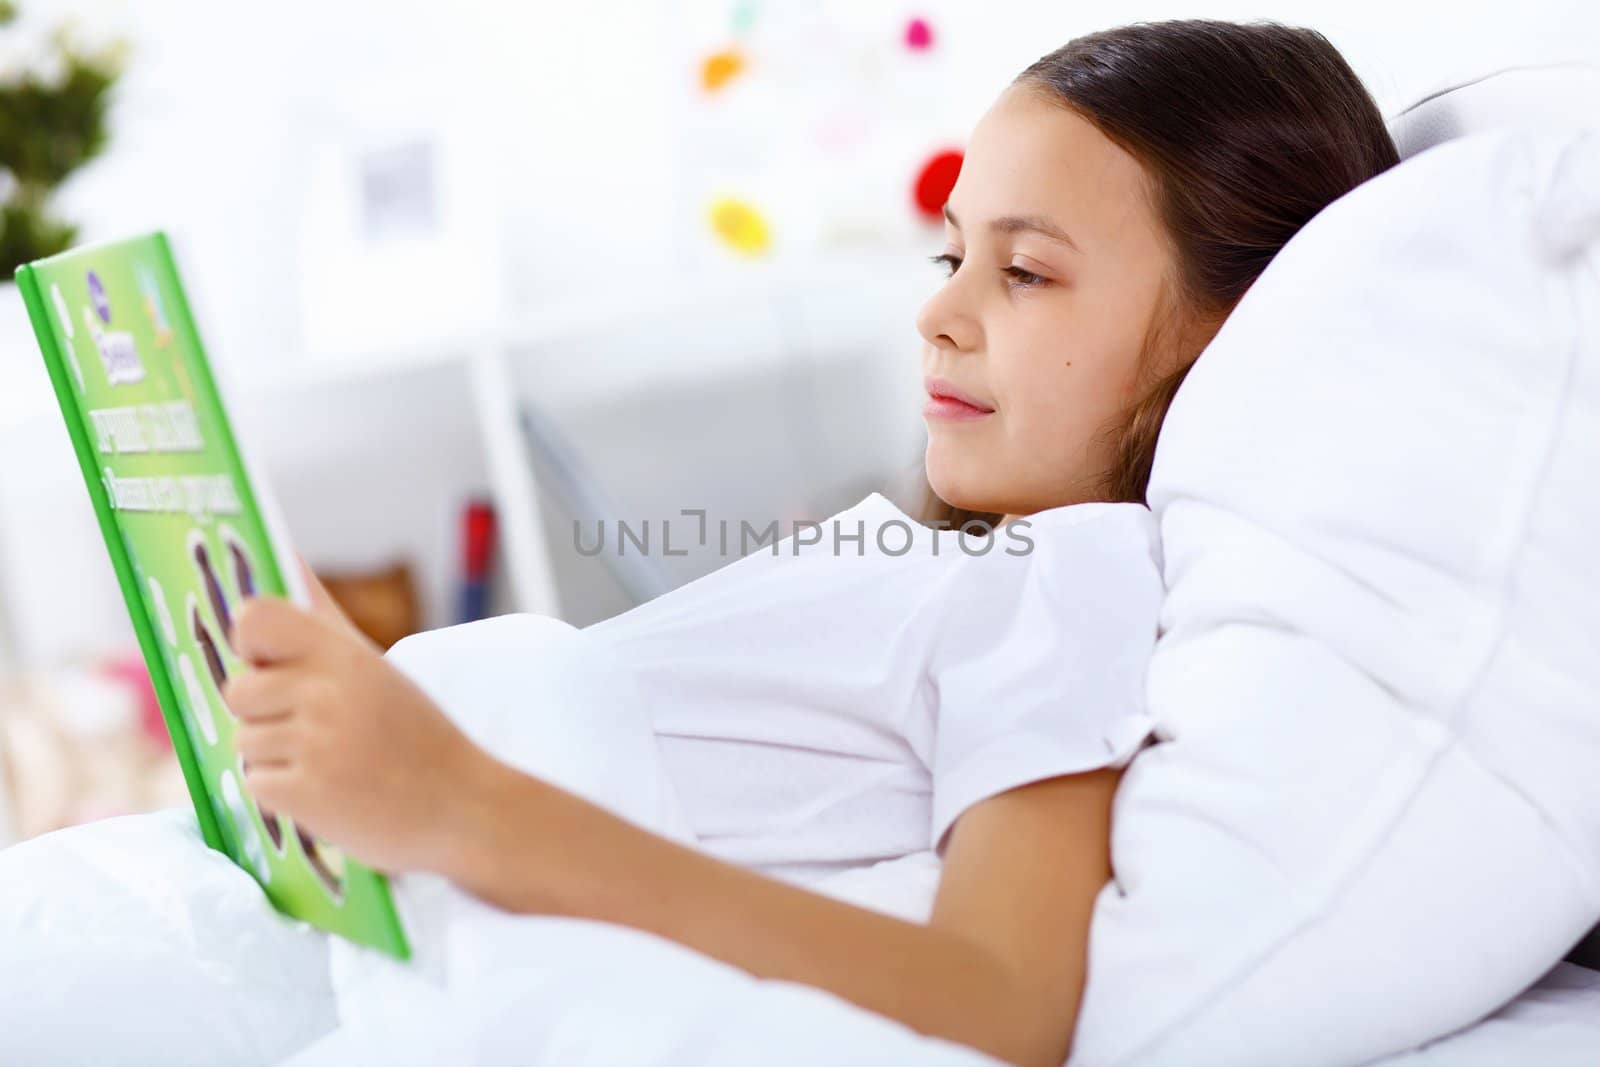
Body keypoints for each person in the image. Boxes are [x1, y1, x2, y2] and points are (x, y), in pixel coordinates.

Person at [36, 20, 1404, 1067]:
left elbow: (1004, 1001)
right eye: (950, 258)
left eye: (1027, 270)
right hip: (294, 893)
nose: (940, 315)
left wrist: (459, 802)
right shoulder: (961, 565)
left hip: (344, 940)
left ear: (1237, 334)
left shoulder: (1073, 580)